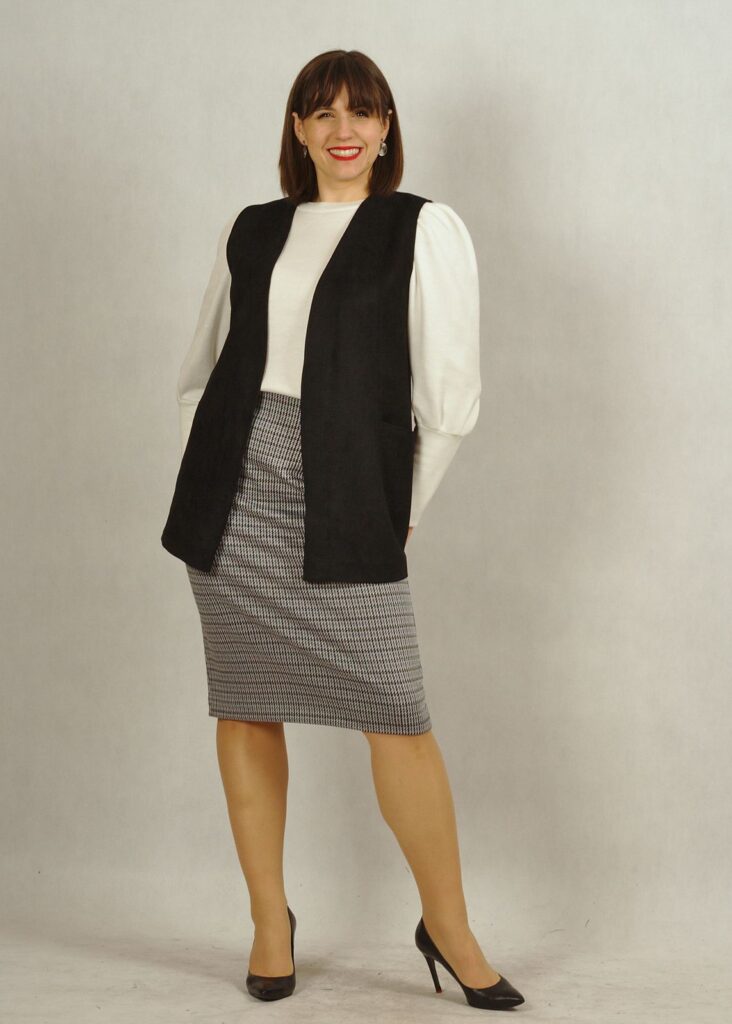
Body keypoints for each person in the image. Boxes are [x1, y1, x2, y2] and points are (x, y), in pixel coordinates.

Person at [161, 49, 525, 1010]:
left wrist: (394, 514)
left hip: (353, 491)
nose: (342, 130)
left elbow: (449, 401)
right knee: (245, 703)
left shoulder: (422, 228)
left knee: (396, 714)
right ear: (298, 130)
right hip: (236, 492)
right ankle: (269, 921)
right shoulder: (253, 228)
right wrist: (219, 461)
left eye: (361, 111)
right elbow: (202, 369)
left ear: (387, 126)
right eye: (321, 113)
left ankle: (447, 926)